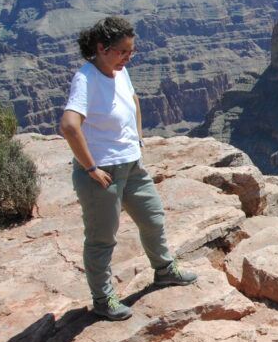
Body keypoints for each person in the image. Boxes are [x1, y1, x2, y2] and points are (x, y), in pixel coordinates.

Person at [59, 16, 196, 321]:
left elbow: (132, 98)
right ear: (101, 48)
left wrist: (138, 138)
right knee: (102, 239)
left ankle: (164, 270)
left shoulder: (120, 71)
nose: (128, 57)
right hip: (102, 174)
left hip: (131, 165)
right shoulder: (86, 79)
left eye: (131, 51)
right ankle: (103, 299)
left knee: (153, 218)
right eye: (123, 51)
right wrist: (91, 168)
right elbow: (69, 125)